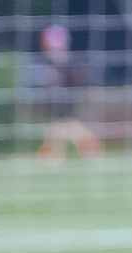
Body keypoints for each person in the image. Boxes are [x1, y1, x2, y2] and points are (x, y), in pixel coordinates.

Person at [34, 26, 103, 160]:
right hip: (55, 101)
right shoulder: (50, 62)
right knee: (59, 125)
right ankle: (56, 152)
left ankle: (57, 152)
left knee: (61, 125)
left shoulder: (68, 63)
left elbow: (78, 82)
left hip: (66, 100)